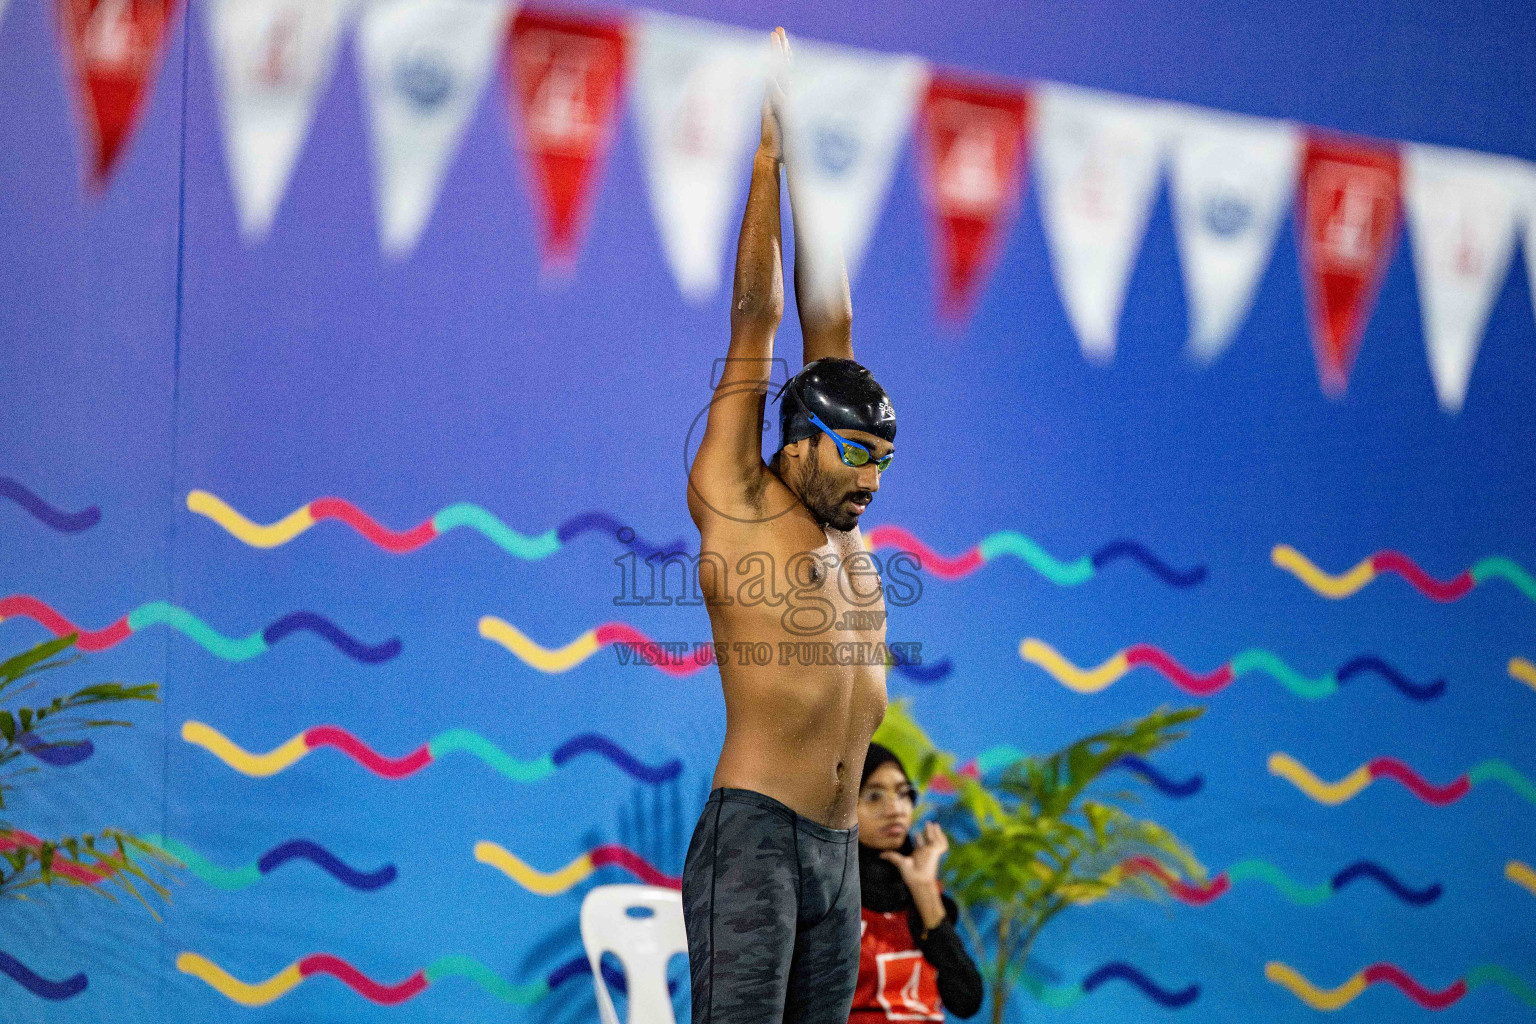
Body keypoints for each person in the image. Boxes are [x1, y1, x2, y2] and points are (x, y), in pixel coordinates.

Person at [682, 26, 900, 1024]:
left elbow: (835, 330)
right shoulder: (740, 496)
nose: (872, 487)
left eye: (884, 466)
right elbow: (759, 317)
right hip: (757, 837)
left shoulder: (841, 530)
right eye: (857, 460)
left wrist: (817, 152)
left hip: (834, 849)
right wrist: (770, 156)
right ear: (801, 439)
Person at [851, 744, 983, 1022]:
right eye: (874, 796)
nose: (896, 809)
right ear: (842, 805)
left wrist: (924, 889)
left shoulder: (921, 887)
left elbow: (966, 999)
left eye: (904, 794)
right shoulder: (824, 890)